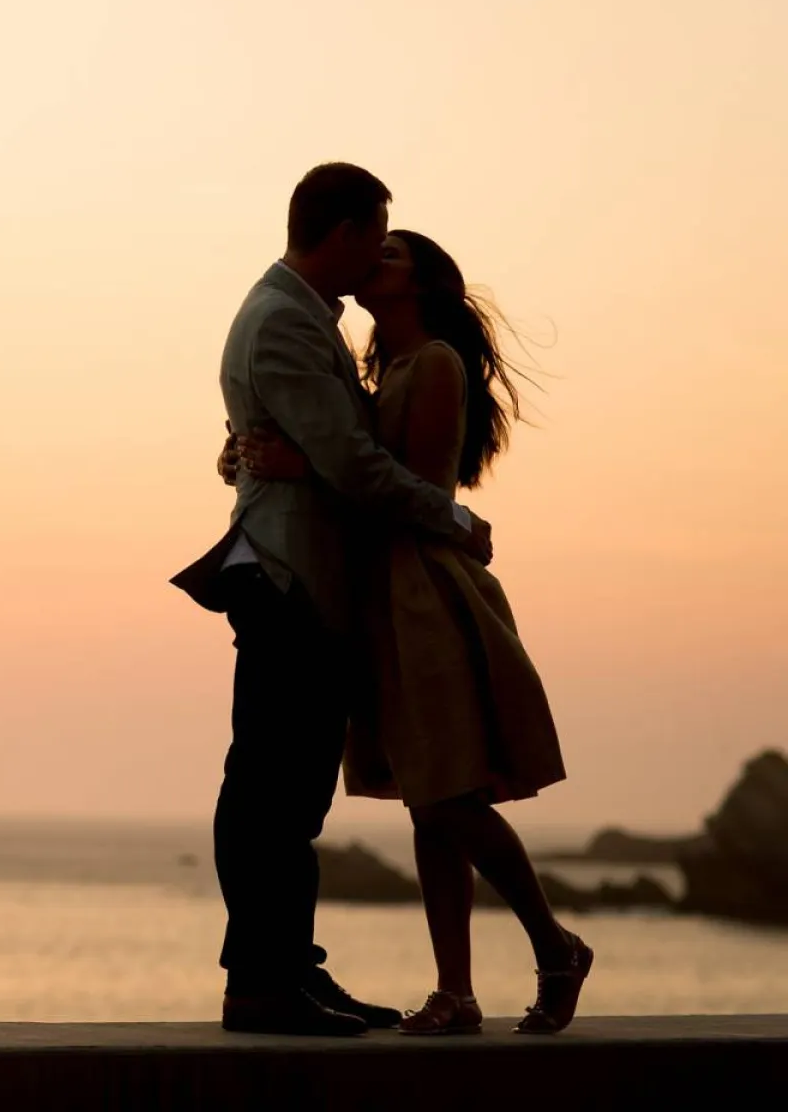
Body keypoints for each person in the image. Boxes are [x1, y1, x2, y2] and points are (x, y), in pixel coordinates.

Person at [225, 228, 591, 1036]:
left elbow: (405, 488)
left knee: (444, 790)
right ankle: (455, 991)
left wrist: (304, 466)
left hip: (423, 593)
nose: (373, 264)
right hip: (378, 597)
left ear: (422, 285)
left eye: (390, 257)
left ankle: (556, 944)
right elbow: (340, 449)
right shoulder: (377, 368)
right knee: (429, 801)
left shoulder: (434, 365)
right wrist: (256, 452)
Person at [172, 163, 494, 1036]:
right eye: (377, 235)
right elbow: (352, 462)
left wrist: (261, 453)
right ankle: (265, 983)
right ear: (345, 233)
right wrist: (453, 519)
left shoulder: (305, 319)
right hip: (291, 578)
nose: (380, 253)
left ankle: (289, 971)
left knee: (287, 793)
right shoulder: (284, 321)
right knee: (272, 792)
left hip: (303, 576)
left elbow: (321, 441)